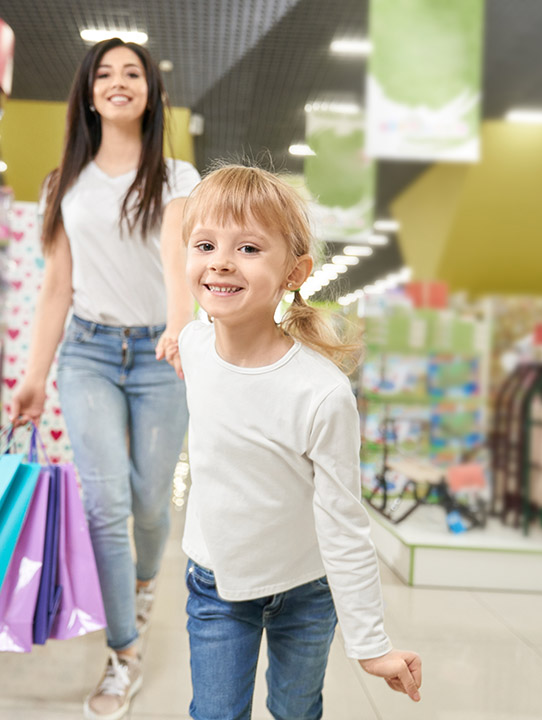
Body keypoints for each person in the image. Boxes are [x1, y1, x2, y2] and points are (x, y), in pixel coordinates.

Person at [173, 165, 423, 720]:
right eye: (206, 244)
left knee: (296, 710)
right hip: (217, 585)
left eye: (248, 248)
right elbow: (191, 353)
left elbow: (343, 521)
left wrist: (372, 642)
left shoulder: (321, 393)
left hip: (306, 590)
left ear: (294, 271)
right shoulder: (192, 345)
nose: (220, 261)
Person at [9, 37, 200, 720]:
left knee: (151, 504)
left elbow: (179, 264)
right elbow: (56, 286)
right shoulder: (64, 183)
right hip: (86, 353)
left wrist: (180, 329)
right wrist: (34, 376)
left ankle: (144, 582)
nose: (119, 82)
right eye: (105, 74)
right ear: (88, 93)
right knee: (104, 504)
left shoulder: (179, 178)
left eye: (132, 73)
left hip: (159, 355)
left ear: (150, 92)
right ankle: (123, 654)